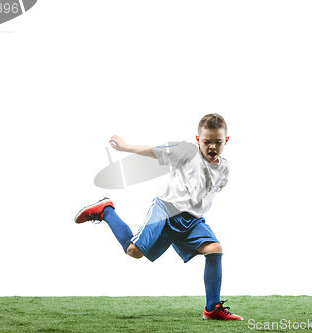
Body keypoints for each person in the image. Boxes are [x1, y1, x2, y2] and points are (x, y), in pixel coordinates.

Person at [74, 113, 243, 321]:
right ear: (198, 139)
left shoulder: (224, 168)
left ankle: (212, 308)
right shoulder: (187, 152)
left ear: (226, 140)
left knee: (215, 249)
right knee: (133, 251)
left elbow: (216, 186)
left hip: (191, 221)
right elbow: (156, 152)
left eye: (218, 142)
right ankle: (106, 210)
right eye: (207, 142)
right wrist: (126, 147)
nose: (212, 147)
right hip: (165, 211)